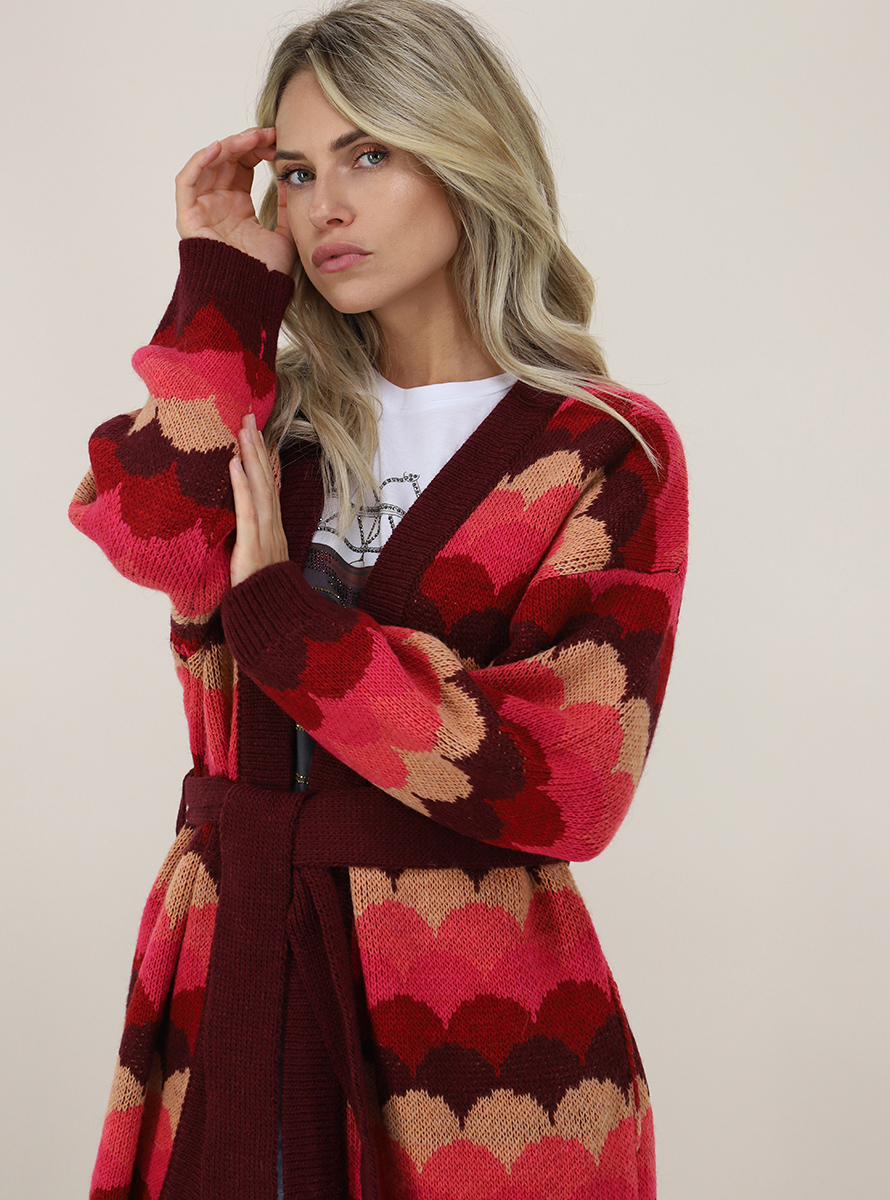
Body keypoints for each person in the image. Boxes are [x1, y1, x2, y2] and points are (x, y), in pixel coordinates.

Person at [69, 1, 688, 1196]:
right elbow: (148, 533)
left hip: (477, 1033)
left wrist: (284, 624)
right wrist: (219, 286)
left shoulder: (597, 446)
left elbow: (564, 780)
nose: (323, 207)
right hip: (231, 968)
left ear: (465, 156)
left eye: (368, 155)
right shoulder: (267, 419)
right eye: (298, 172)